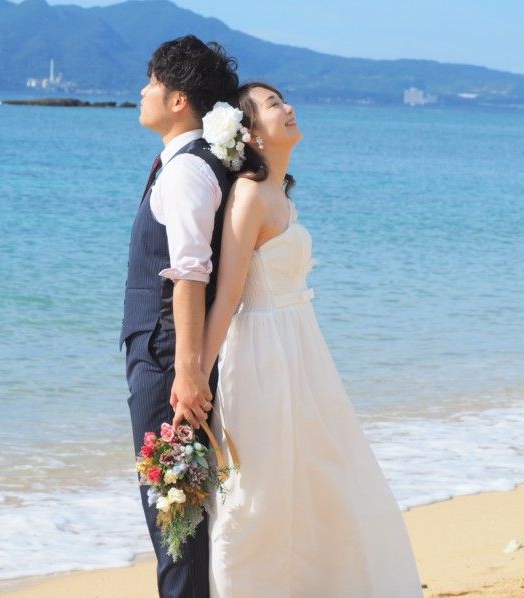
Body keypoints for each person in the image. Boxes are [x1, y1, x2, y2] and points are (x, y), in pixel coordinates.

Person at [196, 81, 425, 597]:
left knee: (322, 482)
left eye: (284, 99)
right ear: (250, 134)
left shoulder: (279, 192)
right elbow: (227, 296)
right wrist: (193, 382)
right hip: (259, 359)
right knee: (261, 497)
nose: (289, 107)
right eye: (275, 104)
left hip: (301, 353)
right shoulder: (249, 196)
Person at [119, 35, 239, 597]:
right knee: (179, 517)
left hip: (169, 363)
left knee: (176, 521)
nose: (142, 91)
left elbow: (190, 274)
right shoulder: (185, 162)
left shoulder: (188, 171)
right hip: (165, 357)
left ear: (177, 100)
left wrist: (188, 371)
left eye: (151, 81)